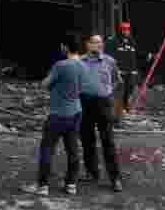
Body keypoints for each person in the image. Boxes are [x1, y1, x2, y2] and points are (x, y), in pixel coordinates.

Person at [24, 37, 86, 196]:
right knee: (73, 149)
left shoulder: (61, 65)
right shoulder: (83, 65)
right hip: (76, 111)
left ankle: (42, 186)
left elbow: (45, 84)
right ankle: (71, 184)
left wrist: (52, 84)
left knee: (47, 149)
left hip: (58, 113)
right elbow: (82, 87)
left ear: (65, 47)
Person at [80, 34, 124, 192]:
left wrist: (107, 92)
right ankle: (92, 172)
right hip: (84, 103)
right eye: (95, 42)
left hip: (103, 104)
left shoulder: (110, 61)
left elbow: (117, 80)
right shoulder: (80, 61)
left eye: (100, 42)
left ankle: (115, 178)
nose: (99, 45)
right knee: (87, 139)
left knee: (108, 141)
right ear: (88, 44)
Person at [107, 21, 145, 114]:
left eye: (128, 29)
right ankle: (118, 107)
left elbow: (137, 53)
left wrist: (149, 56)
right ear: (120, 30)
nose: (126, 31)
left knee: (130, 88)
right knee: (119, 89)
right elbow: (109, 56)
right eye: (124, 29)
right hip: (119, 71)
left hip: (130, 71)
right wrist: (113, 69)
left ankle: (125, 105)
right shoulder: (113, 41)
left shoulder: (131, 41)